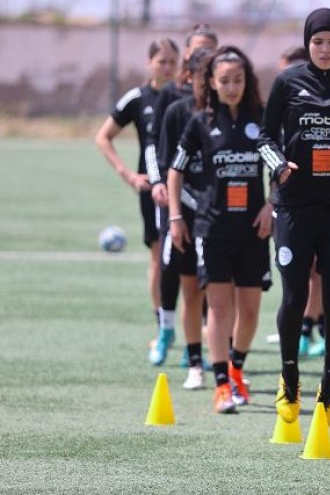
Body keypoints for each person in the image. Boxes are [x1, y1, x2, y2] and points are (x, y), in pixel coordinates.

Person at [259, 8, 330, 425]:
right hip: (294, 207)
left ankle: (329, 385)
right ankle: (289, 378)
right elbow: (265, 136)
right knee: (293, 296)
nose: (325, 49)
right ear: (307, 42)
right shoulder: (288, 81)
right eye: (318, 41)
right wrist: (279, 165)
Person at [168, 46, 271, 414]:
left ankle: (237, 369)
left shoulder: (261, 117)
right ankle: (222, 385)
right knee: (219, 307)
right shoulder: (199, 122)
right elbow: (175, 170)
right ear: (211, 82)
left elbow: (280, 165)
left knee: (251, 310)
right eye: (224, 80)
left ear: (248, 81)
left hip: (253, 231)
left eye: (238, 80)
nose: (231, 87)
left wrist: (271, 205)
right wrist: (176, 216)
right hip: (212, 229)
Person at [95, 38, 179, 339]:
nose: (168, 68)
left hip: (187, 186)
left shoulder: (186, 95)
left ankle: (201, 332)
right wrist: (128, 174)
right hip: (153, 189)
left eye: (172, 62)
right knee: (157, 255)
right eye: (162, 62)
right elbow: (103, 136)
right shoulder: (137, 98)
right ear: (150, 63)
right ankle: (162, 326)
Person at [146, 24, 219, 366]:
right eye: (197, 52)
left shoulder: (224, 103)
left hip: (211, 206)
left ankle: (206, 341)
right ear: (187, 59)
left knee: (206, 275)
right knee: (171, 266)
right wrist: (158, 181)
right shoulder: (172, 100)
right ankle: (166, 329)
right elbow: (156, 146)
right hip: (176, 200)